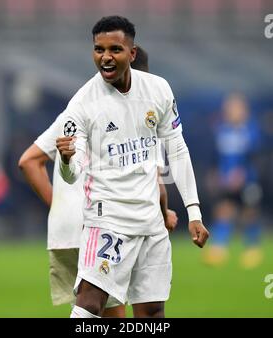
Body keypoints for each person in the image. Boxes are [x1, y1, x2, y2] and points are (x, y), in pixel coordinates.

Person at [56, 15, 209, 318]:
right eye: (99, 50)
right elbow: (73, 173)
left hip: (151, 223)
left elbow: (176, 149)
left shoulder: (158, 90)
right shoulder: (82, 105)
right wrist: (66, 159)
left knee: (152, 312)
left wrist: (194, 211)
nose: (106, 57)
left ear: (132, 53)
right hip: (108, 219)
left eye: (115, 49)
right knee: (90, 305)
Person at [18, 45, 178, 318]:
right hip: (108, 223)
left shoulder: (76, 110)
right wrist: (163, 214)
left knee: (104, 313)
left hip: (72, 230)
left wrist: (62, 210)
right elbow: (152, 177)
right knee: (112, 310)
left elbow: (28, 160)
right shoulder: (125, 112)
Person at [204, 93, 263, 269]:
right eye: (229, 108)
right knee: (223, 211)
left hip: (247, 180)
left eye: (236, 108)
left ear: (244, 110)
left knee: (249, 213)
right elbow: (215, 156)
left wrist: (243, 173)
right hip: (226, 181)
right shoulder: (221, 130)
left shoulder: (251, 130)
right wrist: (215, 174)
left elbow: (257, 156)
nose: (232, 111)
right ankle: (219, 249)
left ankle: (252, 250)